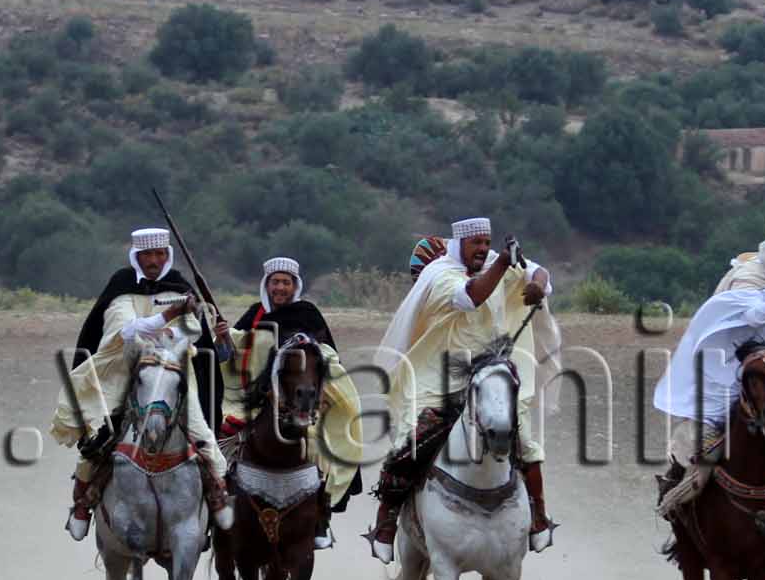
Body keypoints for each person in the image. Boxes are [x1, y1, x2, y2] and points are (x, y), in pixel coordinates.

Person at [366, 216, 561, 558]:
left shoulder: (494, 263)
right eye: (476, 244)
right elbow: (471, 297)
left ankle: (538, 515)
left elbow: (538, 271)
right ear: (460, 245)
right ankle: (387, 520)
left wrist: (537, 284)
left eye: (486, 243)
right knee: (410, 444)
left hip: (489, 373)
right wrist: (503, 262)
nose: (483, 249)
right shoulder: (441, 276)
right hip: (440, 378)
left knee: (523, 440)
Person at [651, 218, 765, 549]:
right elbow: (754, 318)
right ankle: (676, 501)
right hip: (733, 379)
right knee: (691, 441)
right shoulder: (747, 279)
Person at [50, 226, 231, 540]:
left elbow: (192, 329)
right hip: (127, 377)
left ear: (167, 255)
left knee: (204, 436)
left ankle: (217, 496)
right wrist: (169, 316)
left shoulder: (180, 287)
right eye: (148, 254)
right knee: (101, 440)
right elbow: (127, 333)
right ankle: (82, 503)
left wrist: (169, 330)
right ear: (137, 256)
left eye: (160, 254)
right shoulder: (121, 289)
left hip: (175, 376)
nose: (154, 261)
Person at [224, 256, 363, 548]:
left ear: (295, 286)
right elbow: (236, 353)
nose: (280, 288)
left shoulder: (308, 314)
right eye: (275, 282)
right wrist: (225, 338)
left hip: (303, 398)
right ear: (267, 285)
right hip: (259, 397)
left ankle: (321, 516)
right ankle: (222, 505)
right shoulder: (256, 314)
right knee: (222, 441)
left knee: (319, 443)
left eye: (285, 282)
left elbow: (326, 355)